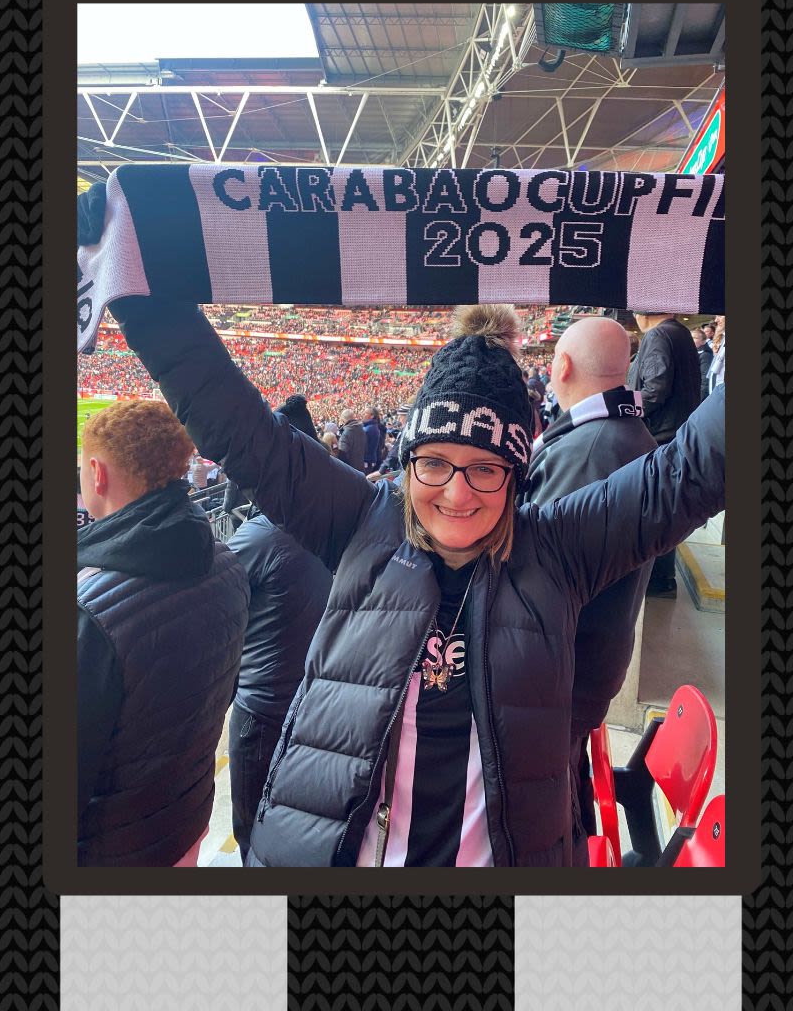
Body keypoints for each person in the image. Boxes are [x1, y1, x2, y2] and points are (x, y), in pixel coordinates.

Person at [107, 292, 726, 867]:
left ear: (516, 473)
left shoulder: (561, 547)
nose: (457, 494)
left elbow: (692, 469)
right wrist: (139, 294)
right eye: (434, 463)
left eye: (485, 468)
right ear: (407, 462)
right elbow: (237, 427)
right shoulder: (357, 520)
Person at [76, 400, 248, 866]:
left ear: (97, 473)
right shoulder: (227, 564)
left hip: (112, 852)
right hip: (184, 818)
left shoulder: (90, 608)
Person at [522, 316, 658, 859]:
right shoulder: (626, 435)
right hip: (593, 660)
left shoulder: (588, 451)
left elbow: (534, 572)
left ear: (562, 367)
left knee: (546, 809)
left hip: (566, 672)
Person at [224, 510, 333, 864]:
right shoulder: (330, 529)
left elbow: (210, 591)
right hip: (312, 706)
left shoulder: (261, 536)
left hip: (262, 713)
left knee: (251, 830)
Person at [628, 310, 704, 597]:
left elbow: (654, 391)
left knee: (653, 510)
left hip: (658, 437)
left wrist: (621, 406)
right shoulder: (680, 333)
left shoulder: (659, 334)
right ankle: (662, 578)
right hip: (673, 435)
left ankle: (658, 579)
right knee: (663, 509)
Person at [695, 323, 717, 392]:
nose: (705, 333)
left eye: (695, 338)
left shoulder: (705, 354)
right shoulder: (694, 351)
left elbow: (705, 378)